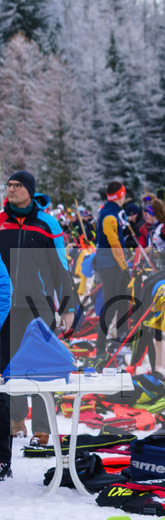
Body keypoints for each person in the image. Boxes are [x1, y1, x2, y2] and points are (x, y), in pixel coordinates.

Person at [0, 171, 78, 480]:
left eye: (17, 186)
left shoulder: (47, 224)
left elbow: (61, 267)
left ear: (30, 191)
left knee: (42, 367)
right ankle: (16, 420)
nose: (11, 189)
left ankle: (43, 428)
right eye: (9, 185)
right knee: (9, 366)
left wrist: (68, 306)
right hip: (7, 306)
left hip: (40, 304)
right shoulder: (1, 222)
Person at [93, 181, 132, 361]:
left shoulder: (109, 212)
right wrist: (124, 266)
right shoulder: (110, 215)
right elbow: (114, 244)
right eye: (123, 194)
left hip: (110, 264)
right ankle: (100, 348)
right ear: (120, 196)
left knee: (120, 302)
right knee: (111, 306)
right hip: (110, 266)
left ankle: (120, 340)